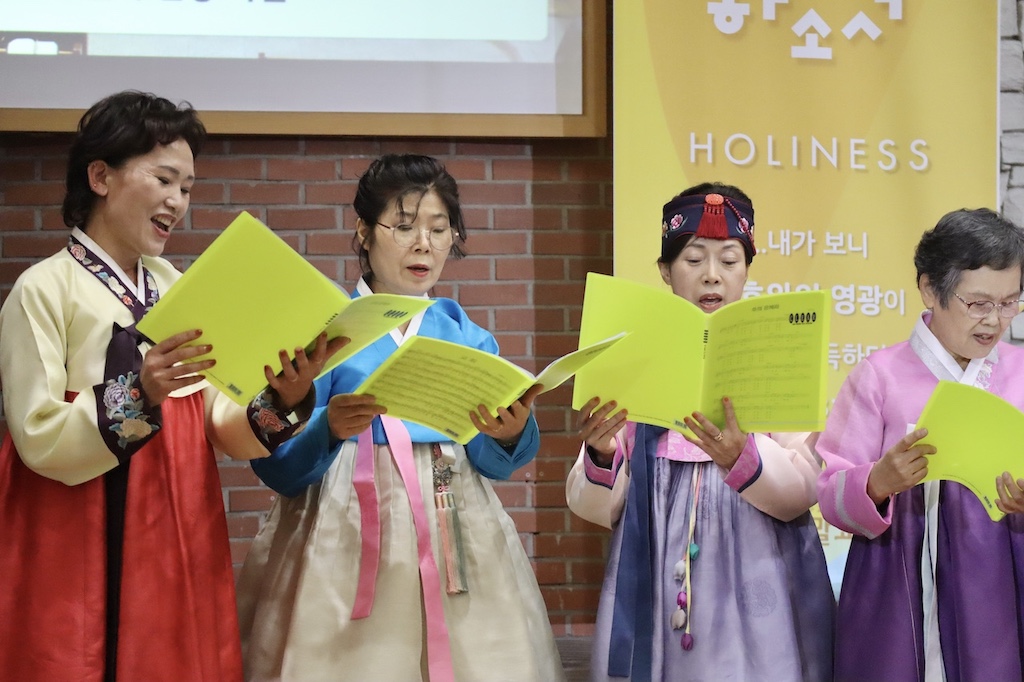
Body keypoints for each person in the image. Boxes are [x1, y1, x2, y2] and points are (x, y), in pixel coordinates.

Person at [0, 90, 338, 682]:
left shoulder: (175, 286)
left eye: (187, 187)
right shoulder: (44, 289)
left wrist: (283, 398)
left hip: (180, 508)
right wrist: (140, 393)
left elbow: (218, 421)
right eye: (163, 179)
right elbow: (38, 435)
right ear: (100, 177)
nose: (177, 201)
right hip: (79, 522)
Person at [236, 153, 565, 682]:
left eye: (440, 228)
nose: (424, 245)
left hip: (455, 520)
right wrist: (328, 428)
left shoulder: (467, 336)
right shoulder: (325, 333)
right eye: (405, 226)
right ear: (363, 231)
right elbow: (280, 470)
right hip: (343, 528)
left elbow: (494, 463)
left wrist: (509, 435)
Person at [566, 182, 835, 681]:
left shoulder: (775, 355)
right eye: (693, 259)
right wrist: (601, 453)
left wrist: (743, 457)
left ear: (747, 269)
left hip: (757, 552)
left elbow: (805, 486)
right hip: (655, 549)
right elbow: (591, 504)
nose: (712, 275)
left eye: (729, 260)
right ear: (666, 271)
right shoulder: (633, 357)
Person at [816, 208, 1024, 682]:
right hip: (898, 575)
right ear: (930, 289)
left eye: (1010, 303)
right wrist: (877, 482)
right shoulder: (879, 376)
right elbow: (829, 493)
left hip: (1001, 574)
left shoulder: (1020, 374)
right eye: (978, 304)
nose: (995, 321)